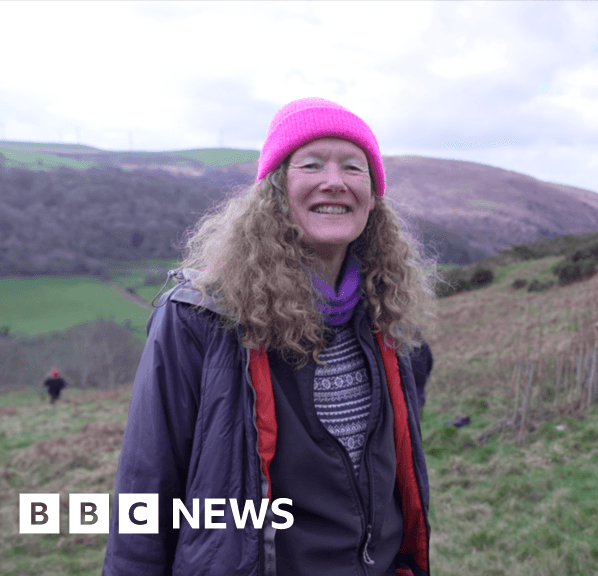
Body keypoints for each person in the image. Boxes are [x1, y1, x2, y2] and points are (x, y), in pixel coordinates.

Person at [103, 97, 432, 576]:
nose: (334, 181)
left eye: (354, 168)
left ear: (373, 196)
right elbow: (146, 488)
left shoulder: (387, 314)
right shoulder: (201, 317)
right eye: (312, 164)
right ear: (276, 188)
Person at [409, 339, 433, 412]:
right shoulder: (424, 345)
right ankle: (417, 417)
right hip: (420, 377)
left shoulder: (403, 344)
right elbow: (430, 361)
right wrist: (427, 374)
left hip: (410, 378)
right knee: (419, 397)